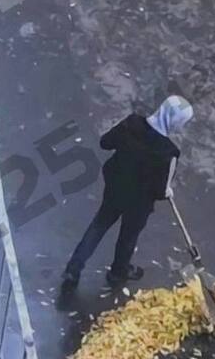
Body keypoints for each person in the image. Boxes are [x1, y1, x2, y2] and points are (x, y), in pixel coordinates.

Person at [61, 93, 193, 290]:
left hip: (116, 186)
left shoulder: (132, 123)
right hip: (139, 202)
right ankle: (118, 272)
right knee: (128, 236)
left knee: (100, 224)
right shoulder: (168, 152)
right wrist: (168, 192)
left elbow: (105, 142)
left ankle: (74, 267)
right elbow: (160, 191)